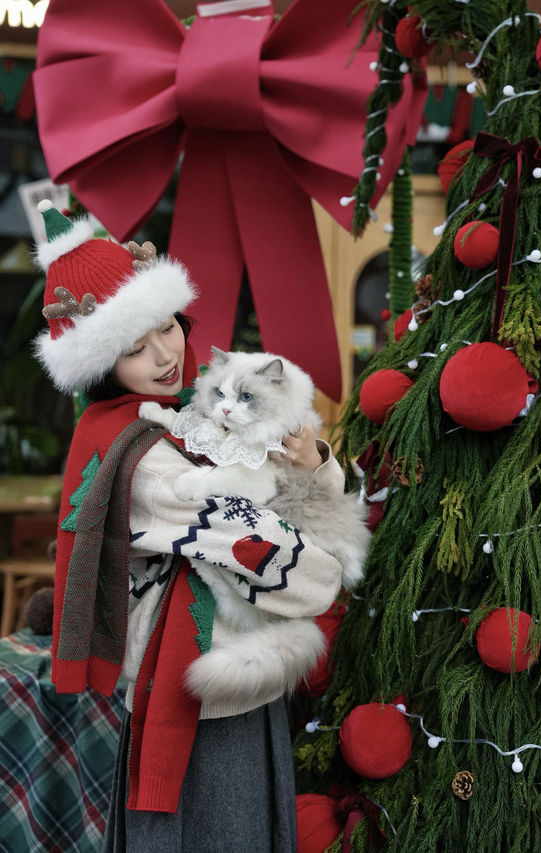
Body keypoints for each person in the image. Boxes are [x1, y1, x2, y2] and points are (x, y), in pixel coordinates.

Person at [33, 201, 347, 852]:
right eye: (132, 346)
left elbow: (280, 489)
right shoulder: (140, 457)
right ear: (98, 365)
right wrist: (324, 571)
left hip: (227, 661)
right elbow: (258, 537)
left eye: (165, 327)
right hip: (197, 678)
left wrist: (314, 464)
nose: (163, 354)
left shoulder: (186, 412)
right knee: (218, 829)